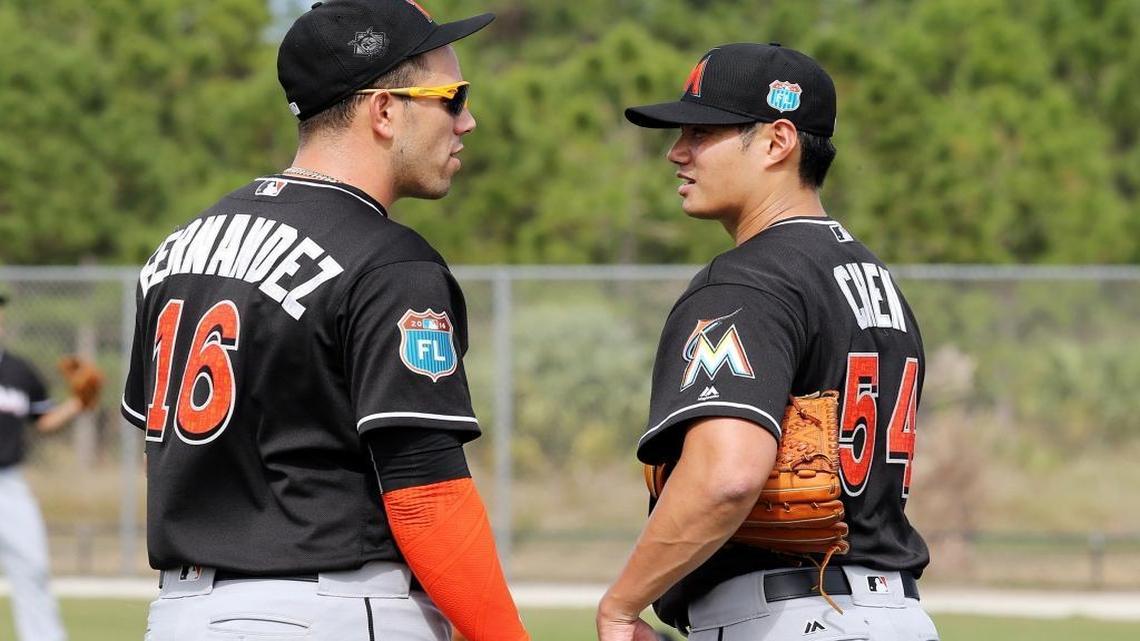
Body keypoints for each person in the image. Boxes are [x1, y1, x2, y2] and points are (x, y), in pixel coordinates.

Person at [119, 2, 527, 639]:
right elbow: (426, 495)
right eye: (452, 97)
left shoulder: (179, 248)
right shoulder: (389, 261)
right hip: (330, 607)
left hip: (180, 613)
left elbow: (160, 456)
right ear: (385, 111)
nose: (467, 121)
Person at [597, 43, 939, 641]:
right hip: (898, 615)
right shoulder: (877, 281)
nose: (678, 152)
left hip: (786, 615)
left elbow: (727, 475)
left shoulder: (747, 280)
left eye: (702, 132)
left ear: (778, 142)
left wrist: (623, 605)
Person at [0, 292, 90, 641]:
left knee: (33, 567)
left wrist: (77, 405)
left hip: (9, 483)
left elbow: (43, 419)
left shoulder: (19, 371)